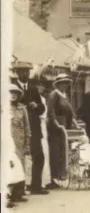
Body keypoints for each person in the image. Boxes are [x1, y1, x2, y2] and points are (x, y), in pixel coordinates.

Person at [15, 65, 49, 195]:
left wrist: (37, 105)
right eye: (22, 72)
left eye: (27, 72)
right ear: (17, 73)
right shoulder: (12, 88)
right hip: (18, 128)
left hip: (34, 128)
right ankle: (18, 190)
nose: (25, 74)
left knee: (39, 156)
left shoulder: (33, 89)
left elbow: (42, 109)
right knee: (18, 158)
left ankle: (35, 186)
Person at [46, 73, 79, 189]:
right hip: (55, 127)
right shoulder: (53, 95)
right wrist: (56, 123)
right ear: (57, 84)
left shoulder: (66, 96)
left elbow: (71, 112)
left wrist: (76, 124)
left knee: (63, 152)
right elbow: (51, 111)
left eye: (66, 83)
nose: (65, 85)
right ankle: (53, 179)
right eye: (62, 83)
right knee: (55, 153)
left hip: (65, 125)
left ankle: (61, 178)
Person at [9, 84, 31, 204]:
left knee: (20, 167)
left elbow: (27, 128)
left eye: (15, 93)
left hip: (20, 142)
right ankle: (8, 194)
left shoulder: (23, 109)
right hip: (8, 142)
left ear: (18, 95)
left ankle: (18, 194)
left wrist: (27, 144)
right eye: (10, 93)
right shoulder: (4, 108)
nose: (12, 95)